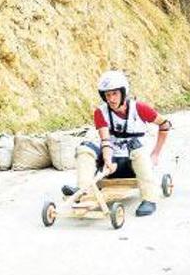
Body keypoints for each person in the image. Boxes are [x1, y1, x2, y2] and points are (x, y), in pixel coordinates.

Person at [62, 71, 171, 217]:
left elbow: (164, 125)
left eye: (114, 94)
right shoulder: (101, 112)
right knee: (84, 148)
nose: (111, 99)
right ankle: (83, 189)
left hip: (135, 162)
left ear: (123, 93)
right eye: (107, 95)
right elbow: (105, 140)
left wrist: (156, 153)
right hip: (112, 163)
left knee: (136, 147)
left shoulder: (139, 108)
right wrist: (107, 160)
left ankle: (149, 199)